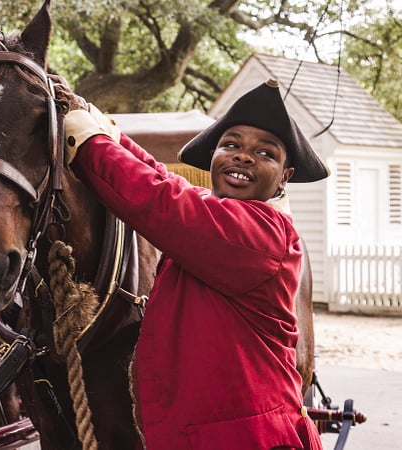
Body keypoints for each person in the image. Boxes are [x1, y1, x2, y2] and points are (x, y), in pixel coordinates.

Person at [52, 78, 329, 450]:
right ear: (214, 156)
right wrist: (97, 122)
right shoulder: (218, 212)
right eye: (230, 144)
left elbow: (158, 198)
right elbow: (163, 177)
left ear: (285, 177)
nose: (243, 156)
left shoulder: (262, 231)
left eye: (265, 153)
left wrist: (86, 141)